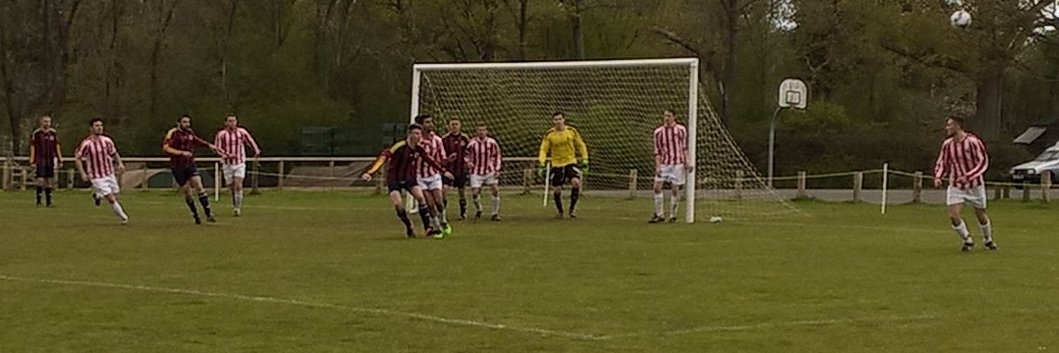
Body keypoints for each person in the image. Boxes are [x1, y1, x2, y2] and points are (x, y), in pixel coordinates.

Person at [362, 124, 454, 238]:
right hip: (394, 179)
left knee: (421, 198)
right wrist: (370, 172)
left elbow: (430, 160)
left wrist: (444, 171)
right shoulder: (400, 146)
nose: (417, 136)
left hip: (409, 178)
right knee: (398, 205)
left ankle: (428, 228)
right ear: (409, 134)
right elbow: (384, 156)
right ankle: (409, 226)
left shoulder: (419, 149)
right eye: (415, 133)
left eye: (419, 134)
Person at [933, 116, 997, 252]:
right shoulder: (947, 144)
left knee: (980, 214)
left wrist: (968, 176)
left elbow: (983, 162)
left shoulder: (973, 142)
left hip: (975, 186)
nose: (947, 128)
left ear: (957, 126)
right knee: (953, 215)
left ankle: (988, 239)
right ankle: (967, 240)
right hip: (956, 185)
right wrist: (938, 176)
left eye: (950, 125)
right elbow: (942, 162)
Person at [163, 114, 226, 224]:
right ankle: (195, 214)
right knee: (187, 191)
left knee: (198, 184)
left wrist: (209, 145)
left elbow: (196, 140)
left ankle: (208, 213)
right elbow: (166, 148)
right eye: (184, 122)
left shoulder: (189, 133)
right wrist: (181, 153)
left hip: (190, 164)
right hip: (178, 166)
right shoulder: (173, 133)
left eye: (188, 122)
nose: (187, 124)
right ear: (179, 123)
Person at [74, 118, 128, 225]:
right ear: (91, 128)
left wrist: (120, 163)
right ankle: (124, 217)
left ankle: (98, 195)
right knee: (111, 199)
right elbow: (78, 158)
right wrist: (83, 173)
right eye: (97, 126)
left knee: (116, 195)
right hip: (96, 175)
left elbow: (114, 153)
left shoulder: (107, 141)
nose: (99, 128)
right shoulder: (87, 143)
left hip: (109, 172)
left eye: (101, 125)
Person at [537, 112, 588, 218]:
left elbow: (580, 145)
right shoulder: (549, 134)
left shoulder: (571, 131)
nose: (558, 122)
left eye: (560, 119)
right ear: (553, 121)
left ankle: (572, 209)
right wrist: (542, 163)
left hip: (570, 161)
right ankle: (560, 211)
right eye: (555, 120)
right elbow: (543, 149)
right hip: (557, 164)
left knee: (576, 182)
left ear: (564, 120)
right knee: (557, 189)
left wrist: (585, 159)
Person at [214, 113, 261, 216]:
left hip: (239, 162)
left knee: (238, 185)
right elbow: (217, 148)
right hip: (227, 164)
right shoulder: (221, 134)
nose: (232, 123)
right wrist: (225, 155)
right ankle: (235, 204)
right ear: (226, 123)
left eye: (234, 121)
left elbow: (250, 141)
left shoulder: (242, 132)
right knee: (231, 187)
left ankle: (237, 208)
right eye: (230, 121)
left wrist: (256, 150)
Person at [415, 114, 452, 235]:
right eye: (427, 122)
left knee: (439, 202)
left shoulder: (437, 140)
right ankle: (437, 228)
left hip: (434, 175)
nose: (431, 124)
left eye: (431, 122)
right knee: (429, 203)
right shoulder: (416, 141)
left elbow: (441, 158)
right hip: (420, 176)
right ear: (421, 125)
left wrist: (448, 161)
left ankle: (444, 220)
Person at [650, 109, 689, 223]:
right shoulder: (658, 132)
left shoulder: (681, 130)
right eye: (665, 116)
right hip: (664, 164)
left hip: (677, 164)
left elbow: (684, 147)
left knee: (675, 189)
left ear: (674, 117)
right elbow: (657, 151)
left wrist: (687, 161)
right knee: (657, 187)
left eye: (669, 116)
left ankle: (673, 216)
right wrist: (658, 166)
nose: (666, 118)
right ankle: (659, 214)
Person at [465, 124, 502, 221]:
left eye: (483, 130)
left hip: (489, 170)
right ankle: (479, 209)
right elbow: (466, 155)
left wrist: (497, 169)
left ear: (486, 131)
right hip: (476, 172)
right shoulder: (472, 143)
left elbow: (497, 155)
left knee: (495, 190)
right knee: (475, 193)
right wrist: (468, 162)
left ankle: (495, 213)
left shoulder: (492, 142)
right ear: (476, 132)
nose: (481, 132)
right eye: (479, 130)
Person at [29, 114, 63, 207]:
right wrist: (32, 160)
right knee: (40, 180)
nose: (47, 123)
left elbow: (57, 147)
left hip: (50, 160)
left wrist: (60, 160)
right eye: (45, 121)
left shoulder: (53, 133)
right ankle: (39, 201)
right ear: (41, 122)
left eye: (48, 122)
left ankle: (49, 202)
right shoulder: (37, 133)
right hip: (40, 159)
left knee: (49, 180)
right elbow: (33, 147)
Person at [441, 118, 472, 220]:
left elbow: (470, 151)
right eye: (452, 124)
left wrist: (467, 161)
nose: (454, 126)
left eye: (456, 124)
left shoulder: (465, 138)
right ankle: (443, 213)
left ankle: (463, 212)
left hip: (460, 169)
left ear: (460, 125)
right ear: (449, 126)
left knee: (462, 191)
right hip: (448, 170)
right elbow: (441, 154)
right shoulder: (444, 139)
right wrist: (447, 159)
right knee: (444, 190)